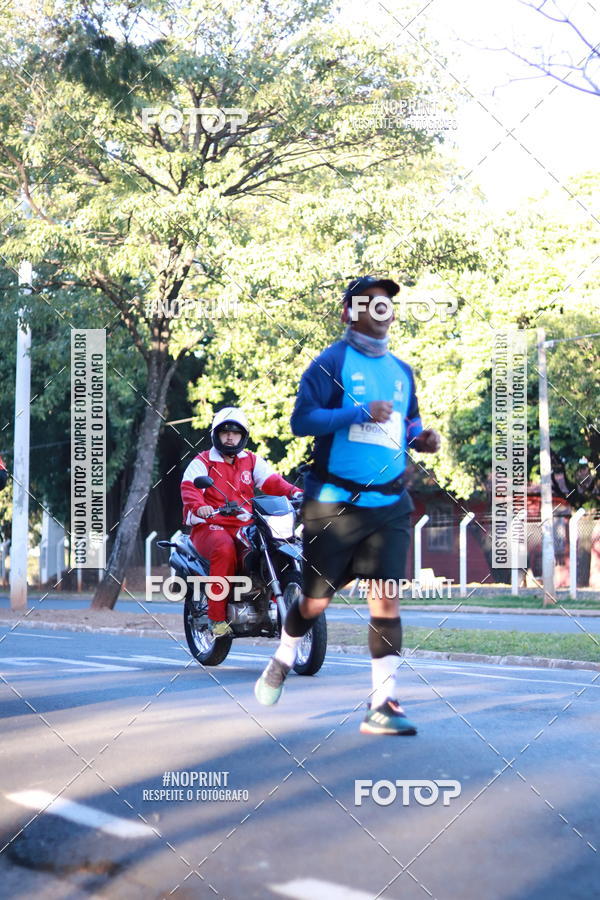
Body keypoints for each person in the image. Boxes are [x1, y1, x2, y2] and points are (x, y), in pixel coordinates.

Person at [255, 276, 441, 735]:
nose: (382, 312)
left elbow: (407, 422)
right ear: (348, 313)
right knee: (315, 602)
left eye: (387, 306)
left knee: (386, 602)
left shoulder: (401, 371)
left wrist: (424, 437)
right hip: (335, 504)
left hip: (390, 505)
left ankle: (384, 704)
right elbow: (303, 420)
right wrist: (358, 411)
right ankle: (283, 656)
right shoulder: (330, 363)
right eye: (371, 305)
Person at [181, 407, 302, 637]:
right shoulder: (203, 461)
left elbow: (272, 482)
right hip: (209, 525)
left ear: (242, 436)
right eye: (225, 431)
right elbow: (189, 490)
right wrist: (200, 507)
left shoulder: (251, 460)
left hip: (243, 524)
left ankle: (266, 598)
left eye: (235, 433)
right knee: (224, 549)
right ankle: (217, 618)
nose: (230, 436)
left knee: (272, 543)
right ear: (216, 434)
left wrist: (296, 493)